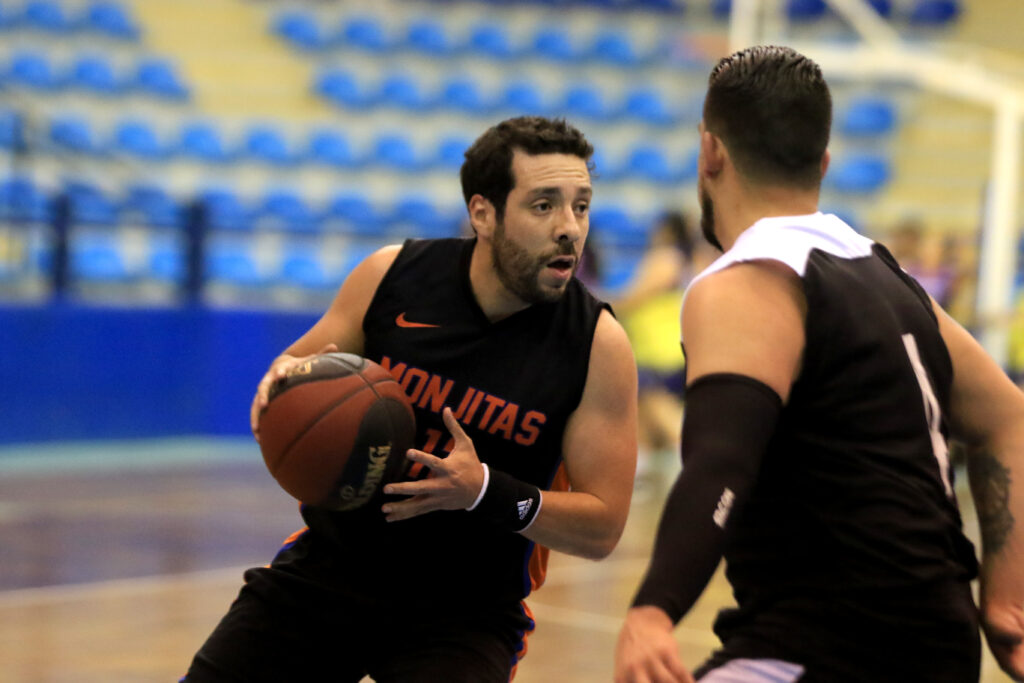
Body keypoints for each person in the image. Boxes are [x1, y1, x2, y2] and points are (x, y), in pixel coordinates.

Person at [614, 45, 1024, 683]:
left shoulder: (749, 278)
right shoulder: (889, 277)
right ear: (823, 162)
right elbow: (1011, 420)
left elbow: (723, 462)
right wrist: (1005, 597)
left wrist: (653, 609)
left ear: (710, 152)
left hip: (831, 638)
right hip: (941, 643)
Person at [183, 116, 638, 682]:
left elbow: (602, 527)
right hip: (331, 572)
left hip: (465, 616)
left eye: (582, 206)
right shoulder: (392, 276)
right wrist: (278, 392)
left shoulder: (597, 345)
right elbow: (292, 370)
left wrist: (486, 492)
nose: (570, 228)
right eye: (544, 205)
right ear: (483, 214)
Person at [611, 211, 694, 489]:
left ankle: (692, 456)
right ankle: (642, 475)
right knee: (641, 411)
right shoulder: (685, 260)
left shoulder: (666, 257)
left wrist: (600, 306)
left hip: (662, 351)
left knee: (655, 403)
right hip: (661, 349)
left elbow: (635, 297)